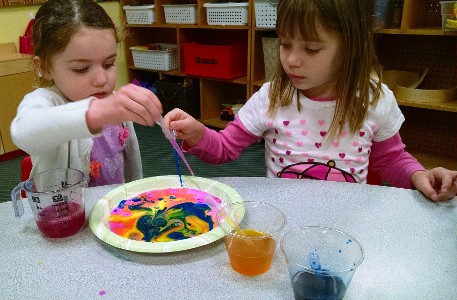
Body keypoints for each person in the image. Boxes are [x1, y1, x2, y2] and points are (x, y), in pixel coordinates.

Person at [164, 0, 457, 201]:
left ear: (350, 48)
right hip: (287, 217)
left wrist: (420, 176)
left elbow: (391, 158)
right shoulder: (271, 97)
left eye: (312, 49)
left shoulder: (374, 99)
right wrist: (199, 133)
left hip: (348, 222)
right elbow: (225, 148)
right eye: (284, 44)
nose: (291, 60)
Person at [11, 0, 163, 187]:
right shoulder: (45, 102)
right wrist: (95, 113)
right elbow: (23, 132)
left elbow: (129, 163)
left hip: (113, 210)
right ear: (45, 67)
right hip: (70, 214)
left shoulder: (110, 102)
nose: (101, 79)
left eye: (108, 64)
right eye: (82, 68)